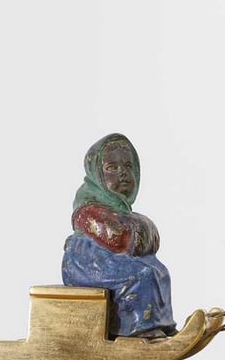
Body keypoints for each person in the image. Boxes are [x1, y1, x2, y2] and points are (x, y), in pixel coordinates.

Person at [62, 133, 177, 338]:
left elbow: (143, 241)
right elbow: (118, 238)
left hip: (109, 260)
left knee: (161, 271)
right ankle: (137, 327)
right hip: (88, 265)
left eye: (128, 166)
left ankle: (163, 323)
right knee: (141, 275)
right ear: (97, 174)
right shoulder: (87, 210)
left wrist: (139, 229)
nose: (122, 173)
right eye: (111, 168)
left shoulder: (119, 210)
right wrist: (140, 230)